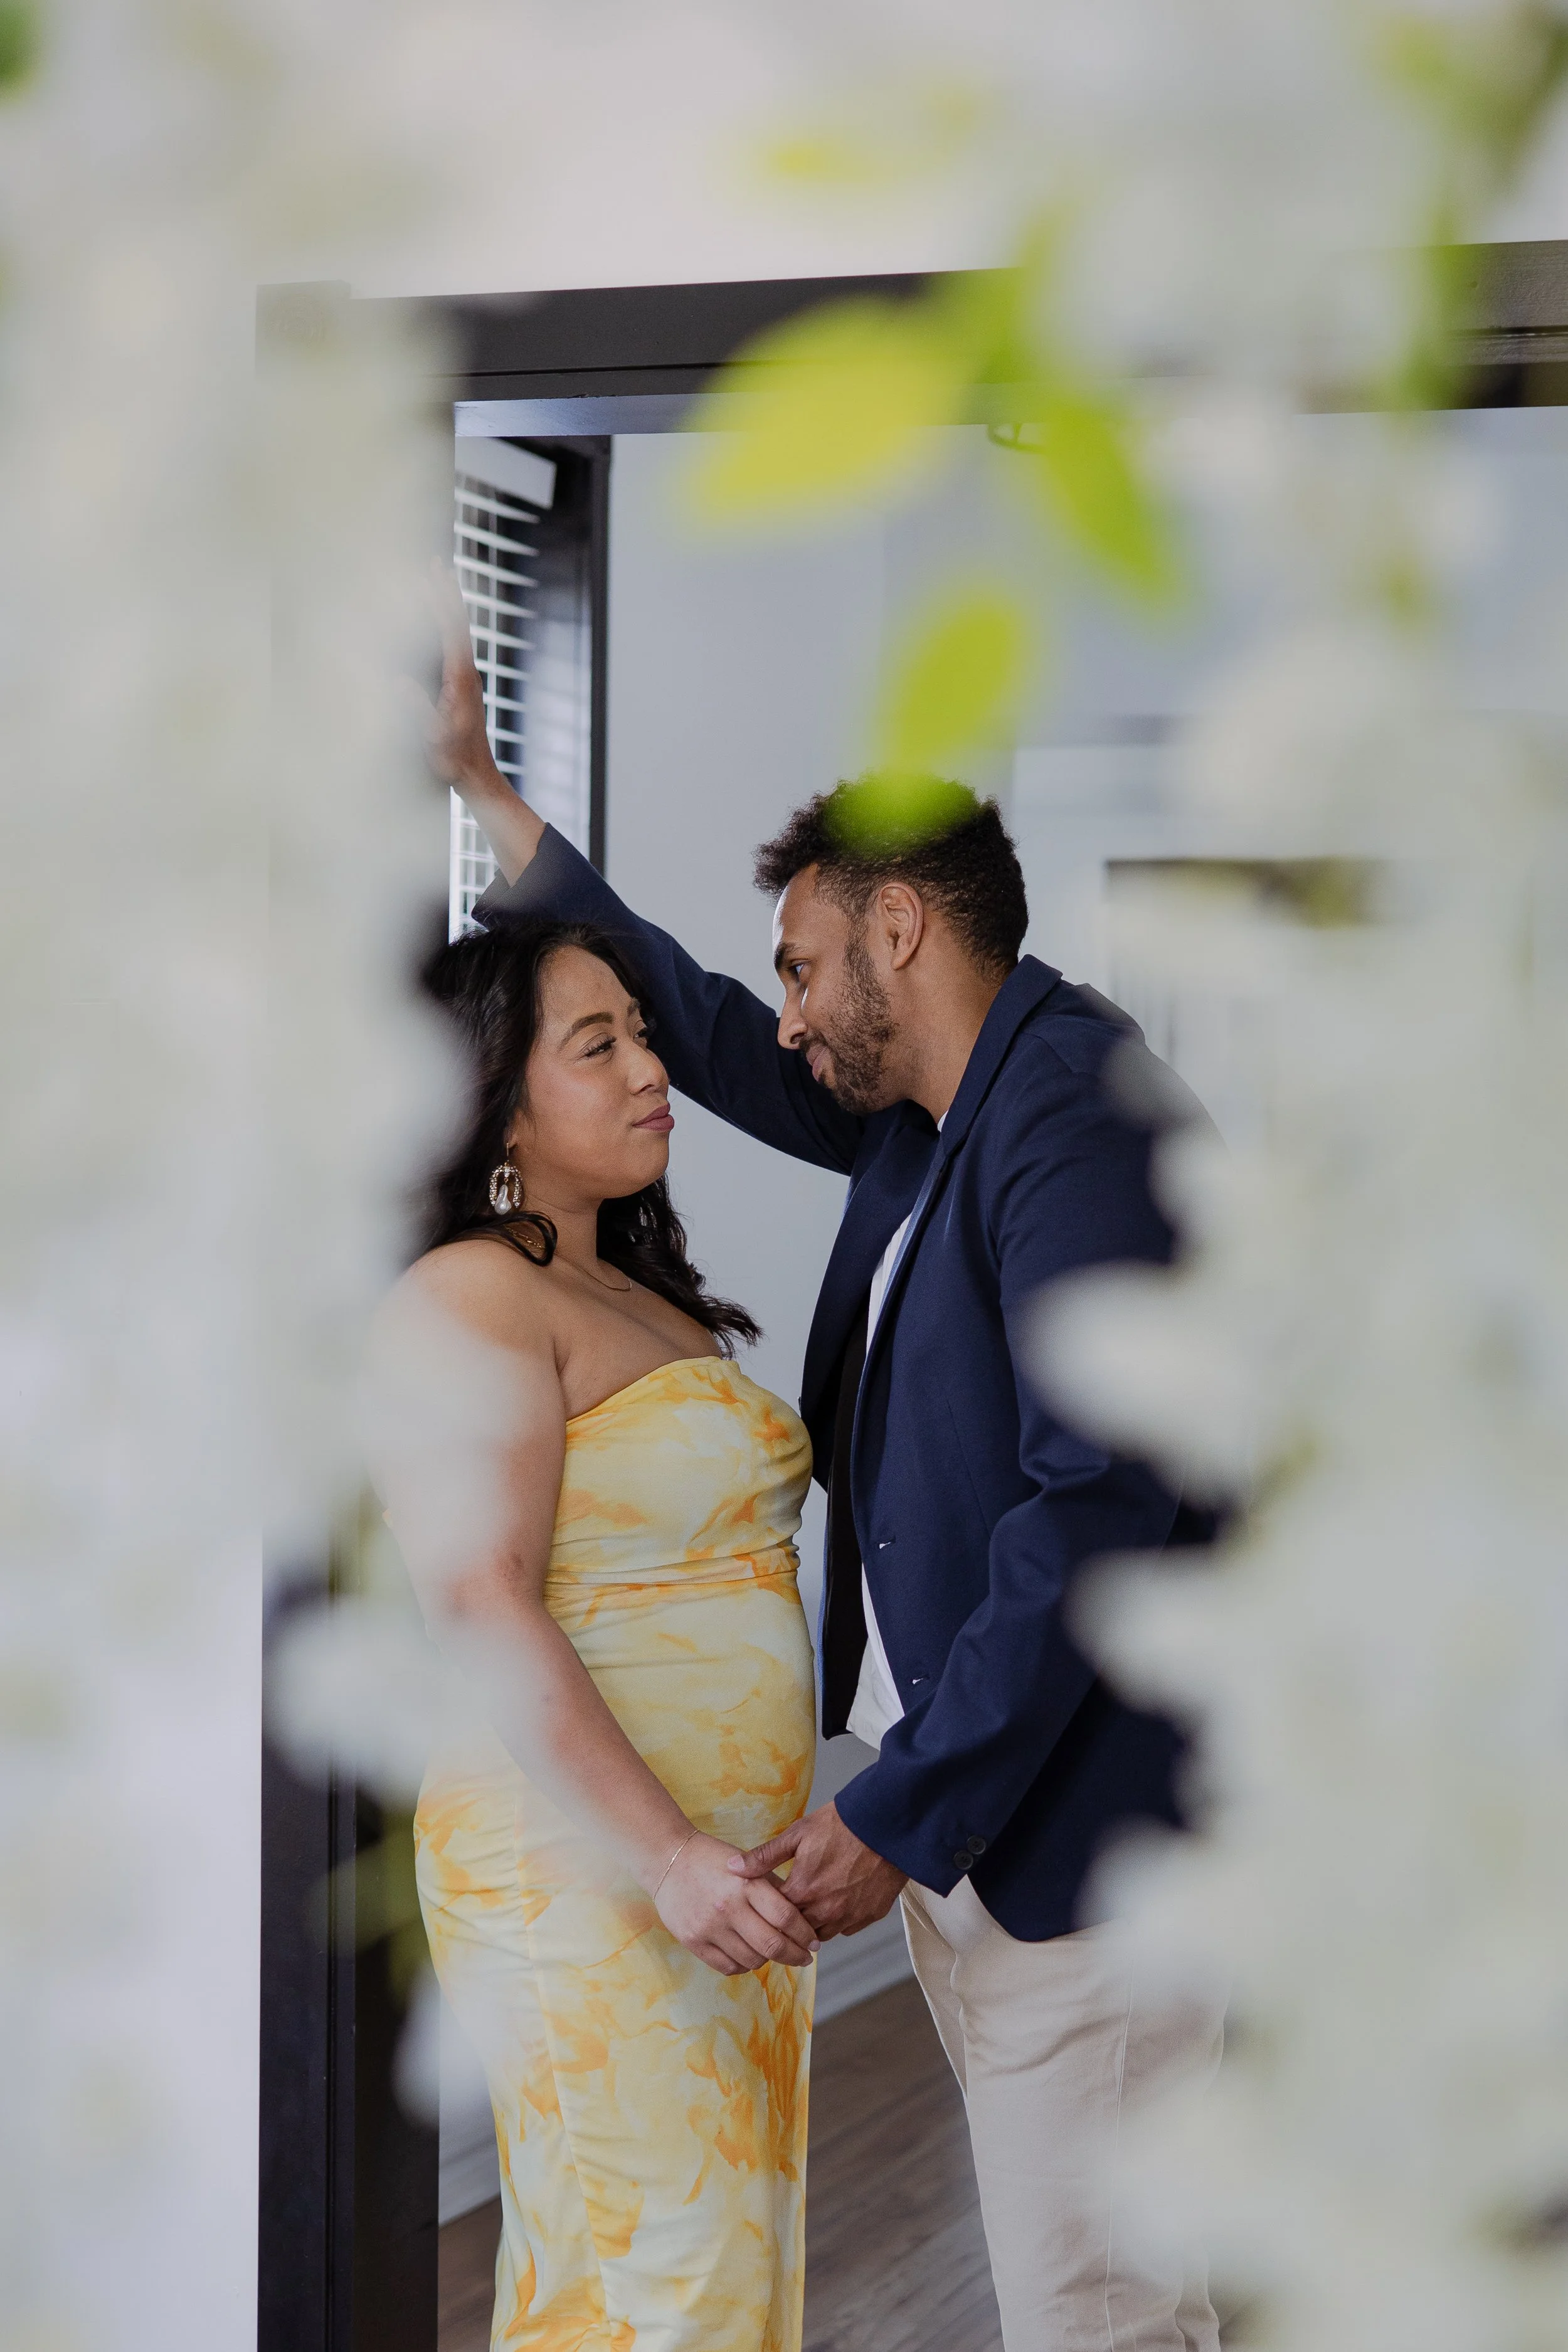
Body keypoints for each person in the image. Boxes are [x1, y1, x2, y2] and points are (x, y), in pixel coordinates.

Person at [427, 612, 1224, 2352]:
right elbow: (694, 1028)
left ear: (894, 925)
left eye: (799, 967)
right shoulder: (926, 1118)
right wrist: (491, 802)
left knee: (1097, 2314)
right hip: (941, 1845)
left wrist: (895, 1805)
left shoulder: (1069, 1116)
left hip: (1072, 1848)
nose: (775, 1021)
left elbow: (1091, 1508)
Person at [369, 916, 823, 2352]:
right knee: (666, 2278)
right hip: (589, 1864)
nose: (651, 1068)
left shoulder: (623, 1283)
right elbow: (477, 1598)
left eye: (641, 1030)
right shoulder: (467, 1292)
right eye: (598, 1044)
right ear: (495, 1095)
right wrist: (669, 1852)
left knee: (666, 2277)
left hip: (703, 1875)